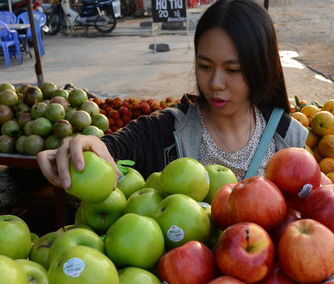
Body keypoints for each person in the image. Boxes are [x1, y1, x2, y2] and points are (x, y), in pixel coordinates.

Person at [36, 0, 308, 190]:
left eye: (233, 70)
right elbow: (116, 148)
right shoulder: (163, 130)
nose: (215, 83)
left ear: (261, 67)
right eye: (204, 66)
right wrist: (84, 146)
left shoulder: (288, 138)